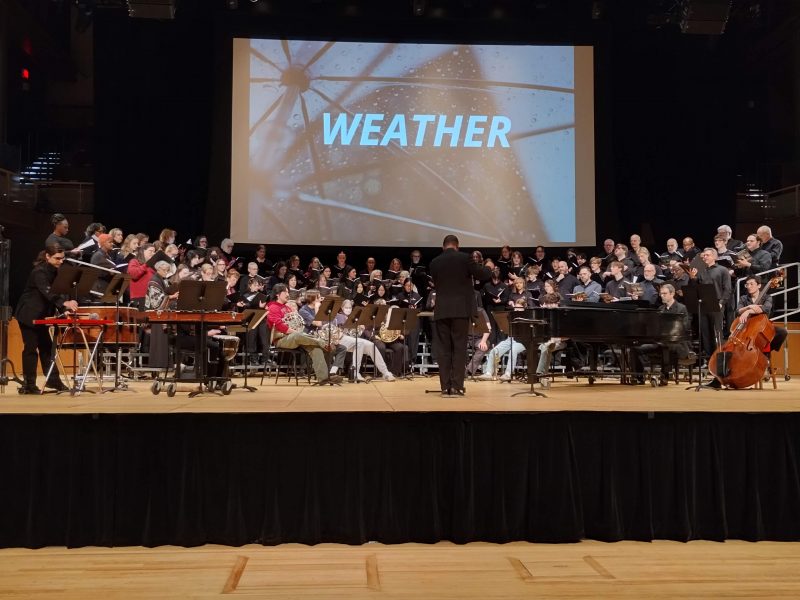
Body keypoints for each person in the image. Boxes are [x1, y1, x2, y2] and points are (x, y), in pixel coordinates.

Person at [429, 234, 491, 396]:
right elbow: (483, 275)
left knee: (444, 349)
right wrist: (488, 267)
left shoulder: (434, 262)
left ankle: (445, 387)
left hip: (442, 310)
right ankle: (456, 386)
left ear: (444, 247)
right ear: (457, 246)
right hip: (460, 310)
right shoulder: (465, 258)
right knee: (459, 348)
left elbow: (437, 283)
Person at [15, 243, 79, 394]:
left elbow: (59, 292)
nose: (61, 261)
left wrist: (64, 308)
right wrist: (64, 303)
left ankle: (53, 380)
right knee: (31, 348)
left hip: (42, 315)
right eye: (57, 258)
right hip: (28, 314)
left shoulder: (56, 271)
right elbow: (48, 293)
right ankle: (29, 385)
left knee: (47, 348)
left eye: (62, 258)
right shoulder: (39, 272)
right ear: (47, 257)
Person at [266, 283, 342, 385]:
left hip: (296, 338)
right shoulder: (272, 307)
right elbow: (281, 326)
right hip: (281, 339)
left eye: (288, 292)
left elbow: (298, 323)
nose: (288, 294)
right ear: (278, 294)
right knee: (299, 335)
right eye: (286, 292)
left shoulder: (287, 308)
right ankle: (322, 342)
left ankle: (324, 378)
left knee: (315, 348)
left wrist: (298, 331)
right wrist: (298, 332)